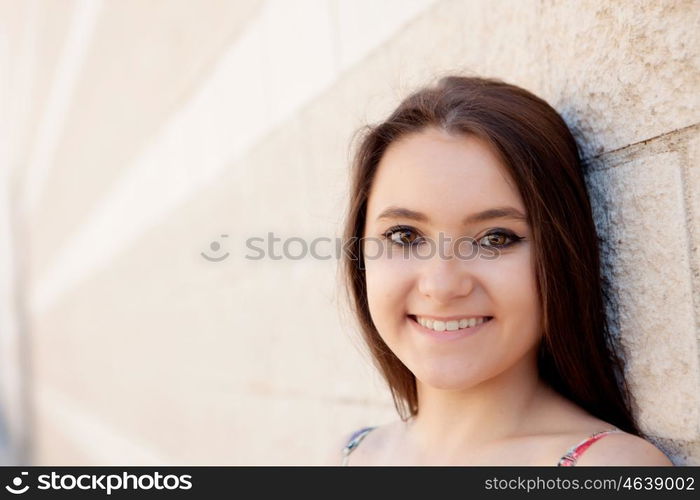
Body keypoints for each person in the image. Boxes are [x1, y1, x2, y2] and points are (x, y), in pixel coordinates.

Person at [334, 75, 673, 466]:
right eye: (404, 235)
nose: (442, 285)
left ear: (559, 257)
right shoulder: (353, 454)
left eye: (495, 238)